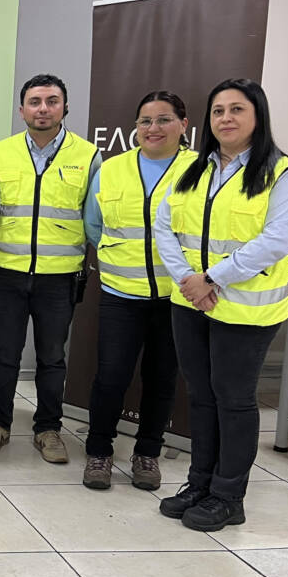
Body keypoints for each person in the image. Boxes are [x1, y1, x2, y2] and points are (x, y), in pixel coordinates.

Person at [155, 78, 288, 531]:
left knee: (233, 400)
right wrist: (188, 280)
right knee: (200, 397)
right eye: (218, 111)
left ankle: (228, 496)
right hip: (191, 303)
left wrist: (211, 279)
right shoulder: (193, 168)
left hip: (246, 310)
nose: (225, 118)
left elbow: (275, 241)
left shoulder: (282, 172)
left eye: (237, 109)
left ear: (258, 115)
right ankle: (199, 483)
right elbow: (165, 227)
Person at [0, 73, 101, 464]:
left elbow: (95, 219)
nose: (43, 109)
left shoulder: (88, 156)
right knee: (6, 354)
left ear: (65, 107)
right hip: (5, 272)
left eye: (51, 101)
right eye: (35, 102)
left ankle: (48, 428)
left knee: (51, 357)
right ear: (22, 110)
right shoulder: (0, 152)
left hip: (59, 277)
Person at [81, 90, 198, 491]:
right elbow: (93, 225)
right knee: (111, 376)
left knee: (162, 378)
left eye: (164, 119)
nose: (153, 128)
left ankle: (147, 453)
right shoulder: (112, 169)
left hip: (176, 296)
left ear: (183, 125)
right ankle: (99, 452)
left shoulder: (200, 170)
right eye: (145, 121)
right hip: (120, 294)